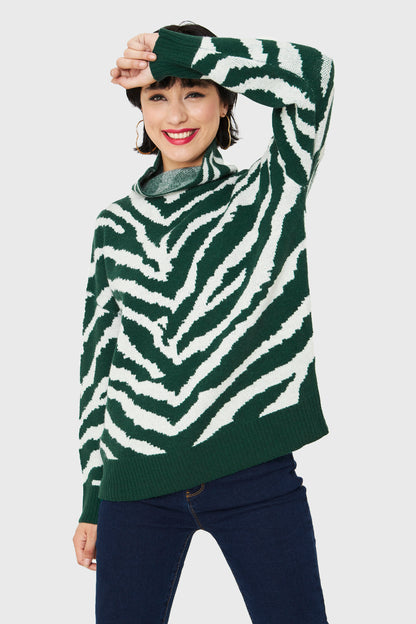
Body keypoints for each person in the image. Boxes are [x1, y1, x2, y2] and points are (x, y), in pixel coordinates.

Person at [73, 21, 335, 624]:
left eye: (195, 92)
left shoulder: (271, 189)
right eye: (157, 95)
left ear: (224, 100)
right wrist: (93, 497)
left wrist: (177, 52)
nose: (176, 114)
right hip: (134, 484)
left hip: (254, 476)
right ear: (139, 108)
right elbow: (101, 364)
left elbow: (313, 75)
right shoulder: (114, 225)